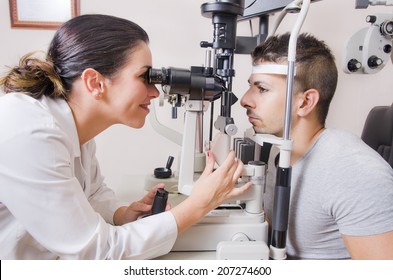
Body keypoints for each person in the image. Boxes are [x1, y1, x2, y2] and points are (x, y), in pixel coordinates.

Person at [0, 14, 251, 260]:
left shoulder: (73, 128)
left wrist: (122, 214)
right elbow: (98, 253)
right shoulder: (31, 131)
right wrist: (199, 204)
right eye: (144, 77)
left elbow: (93, 193)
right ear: (95, 83)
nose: (154, 92)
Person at [240, 32, 393, 259]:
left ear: (305, 102)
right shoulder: (278, 150)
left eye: (262, 89)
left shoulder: (353, 173)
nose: (244, 99)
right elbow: (275, 235)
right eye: (251, 87)